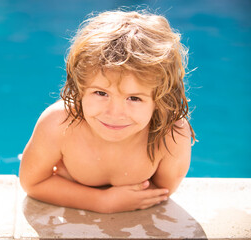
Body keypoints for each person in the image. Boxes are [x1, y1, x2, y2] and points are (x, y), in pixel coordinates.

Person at [19, 9, 196, 213]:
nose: (114, 113)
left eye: (134, 98)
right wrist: (101, 201)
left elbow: (161, 192)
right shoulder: (58, 124)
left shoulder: (171, 135)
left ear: (160, 100)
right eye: (101, 93)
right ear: (80, 88)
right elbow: (33, 183)